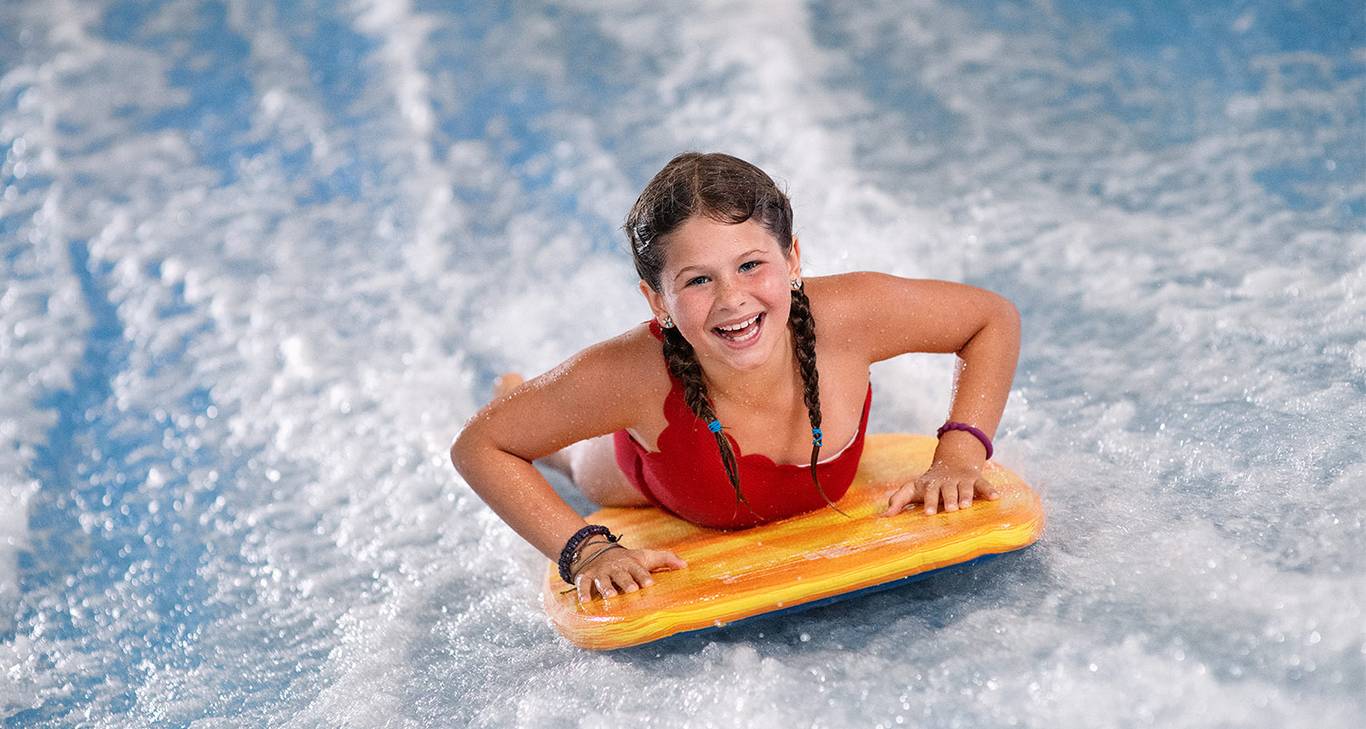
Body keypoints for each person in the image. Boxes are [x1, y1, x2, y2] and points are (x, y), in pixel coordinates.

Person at [450, 152, 1021, 605]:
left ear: (793, 259)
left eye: (751, 265)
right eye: (698, 280)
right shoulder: (633, 374)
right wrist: (583, 550)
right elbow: (481, 445)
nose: (732, 300)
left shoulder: (852, 315)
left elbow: (990, 318)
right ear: (658, 301)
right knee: (574, 457)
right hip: (646, 472)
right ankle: (519, 396)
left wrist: (960, 456)